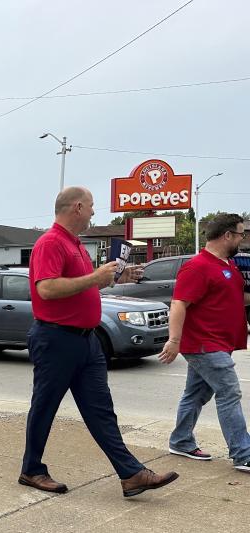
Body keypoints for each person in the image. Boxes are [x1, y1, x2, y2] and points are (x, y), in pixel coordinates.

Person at [20, 186, 179, 498]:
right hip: (56, 339)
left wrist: (116, 277)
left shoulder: (76, 245)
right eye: (91, 207)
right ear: (77, 207)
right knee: (45, 406)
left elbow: (80, 286)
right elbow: (47, 290)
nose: (94, 212)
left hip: (86, 341)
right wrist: (95, 278)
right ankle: (32, 469)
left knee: (100, 410)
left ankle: (131, 474)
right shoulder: (50, 243)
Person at [159, 214, 250, 472]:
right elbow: (179, 303)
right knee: (229, 392)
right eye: (241, 234)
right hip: (203, 343)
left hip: (220, 342)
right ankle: (244, 453)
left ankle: (180, 441)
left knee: (196, 393)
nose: (242, 240)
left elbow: (234, 299)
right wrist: (174, 340)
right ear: (227, 235)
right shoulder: (197, 266)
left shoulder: (229, 265)